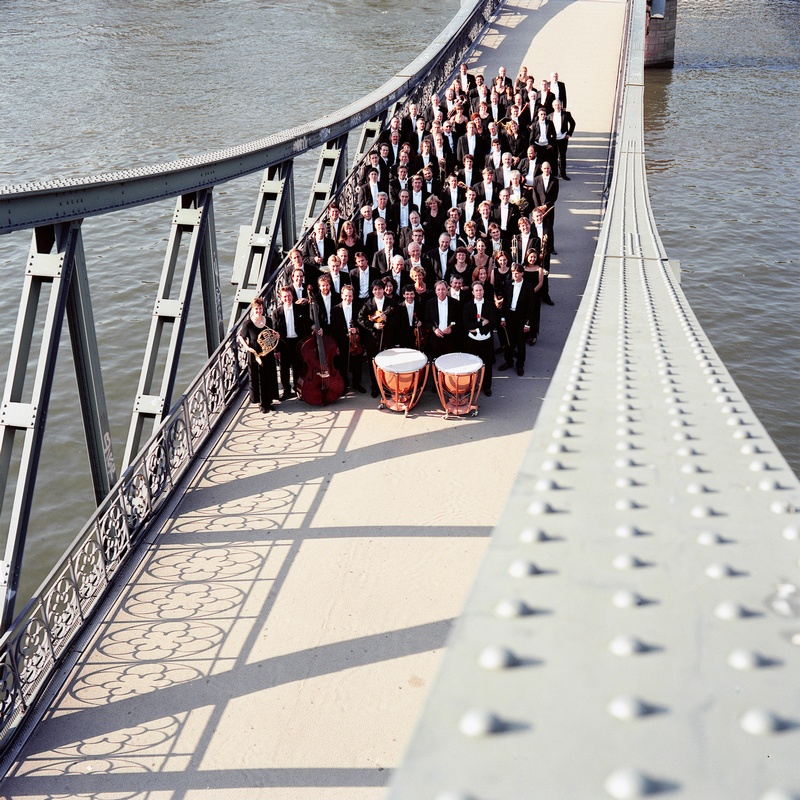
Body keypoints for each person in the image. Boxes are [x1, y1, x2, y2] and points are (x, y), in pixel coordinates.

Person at [238, 297, 279, 413]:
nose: (259, 311)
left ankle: (269, 401)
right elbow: (241, 337)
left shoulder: (268, 320)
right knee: (259, 378)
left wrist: (276, 336)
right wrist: (248, 348)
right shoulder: (248, 324)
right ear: (252, 309)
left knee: (269, 376)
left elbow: (271, 334)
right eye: (256, 309)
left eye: (260, 308)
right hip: (256, 354)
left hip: (268, 352)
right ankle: (262, 403)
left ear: (263, 308)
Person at [358, 279, 396, 396]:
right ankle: (375, 386)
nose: (378, 291)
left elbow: (398, 321)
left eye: (380, 289)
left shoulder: (391, 303)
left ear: (384, 289)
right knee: (373, 362)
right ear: (372, 291)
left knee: (387, 363)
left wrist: (387, 319)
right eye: (375, 289)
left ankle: (386, 386)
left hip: (387, 337)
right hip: (372, 338)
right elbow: (360, 319)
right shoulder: (367, 303)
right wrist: (373, 325)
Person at [275, 285, 310, 399]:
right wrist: (276, 350)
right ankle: (286, 390)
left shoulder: (299, 308)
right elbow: (274, 332)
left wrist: (314, 326)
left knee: (297, 367)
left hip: (297, 342)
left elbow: (307, 322)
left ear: (292, 296)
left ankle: (298, 388)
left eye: (289, 296)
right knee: (284, 368)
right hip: (284, 344)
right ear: (281, 298)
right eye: (285, 297)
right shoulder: (277, 312)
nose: (287, 298)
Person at [498, 264, 534, 376]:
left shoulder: (528, 287)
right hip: (509, 317)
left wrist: (527, 324)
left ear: (522, 273)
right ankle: (509, 362)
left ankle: (520, 365)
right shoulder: (509, 284)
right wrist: (503, 317)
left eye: (517, 272)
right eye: (513, 272)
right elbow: (505, 303)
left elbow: (531, 307)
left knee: (520, 344)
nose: (515, 274)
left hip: (521, 319)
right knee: (509, 342)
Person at [464, 281, 498, 396]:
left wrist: (477, 329)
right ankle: (470, 386)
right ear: (473, 292)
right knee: (471, 365)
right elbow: (466, 325)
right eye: (476, 290)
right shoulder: (467, 306)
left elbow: (493, 323)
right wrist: (481, 325)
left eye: (480, 290)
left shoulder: (490, 305)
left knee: (487, 364)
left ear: (483, 291)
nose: (479, 292)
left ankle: (487, 386)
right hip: (472, 340)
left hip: (486, 339)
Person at [330, 284, 365, 394]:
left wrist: (357, 329)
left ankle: (356, 384)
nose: (348, 298)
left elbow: (363, 324)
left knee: (357, 363)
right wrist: (335, 345)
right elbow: (333, 329)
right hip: (342, 341)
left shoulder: (359, 307)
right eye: (345, 296)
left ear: (353, 296)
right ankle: (344, 385)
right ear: (341, 295)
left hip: (355, 341)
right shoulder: (335, 309)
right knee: (343, 364)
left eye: (350, 296)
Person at [424, 279, 461, 361]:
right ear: (435, 291)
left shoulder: (455, 303)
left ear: (447, 289)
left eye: (443, 289)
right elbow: (426, 321)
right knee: (436, 362)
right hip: (435, 338)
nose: (441, 292)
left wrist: (451, 329)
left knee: (450, 362)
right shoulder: (429, 303)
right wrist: (435, 329)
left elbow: (460, 321)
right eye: (439, 289)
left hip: (451, 339)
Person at [532, 160, 560, 253]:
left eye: (548, 168)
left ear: (550, 169)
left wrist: (546, 206)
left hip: (549, 208)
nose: (546, 170)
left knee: (549, 227)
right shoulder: (536, 179)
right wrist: (538, 208)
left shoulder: (554, 180)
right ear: (541, 169)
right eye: (545, 168)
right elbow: (534, 194)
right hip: (538, 208)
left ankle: (550, 247)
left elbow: (554, 196)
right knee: (537, 226)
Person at [522, 247, 546, 346]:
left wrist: (532, 292)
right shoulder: (523, 268)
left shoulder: (539, 269)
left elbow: (540, 283)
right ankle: (525, 334)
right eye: (531, 257)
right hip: (524, 295)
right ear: (527, 257)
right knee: (524, 314)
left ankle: (533, 335)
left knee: (534, 314)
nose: (533, 259)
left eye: (535, 257)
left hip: (535, 295)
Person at [548, 98, 576, 180]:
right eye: (555, 105)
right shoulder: (549, 116)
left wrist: (569, 134)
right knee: (553, 156)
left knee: (562, 156)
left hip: (563, 138)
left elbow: (573, 123)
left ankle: (563, 173)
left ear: (561, 105)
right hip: (554, 139)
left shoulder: (566, 114)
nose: (557, 106)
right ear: (553, 106)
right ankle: (554, 172)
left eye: (559, 105)